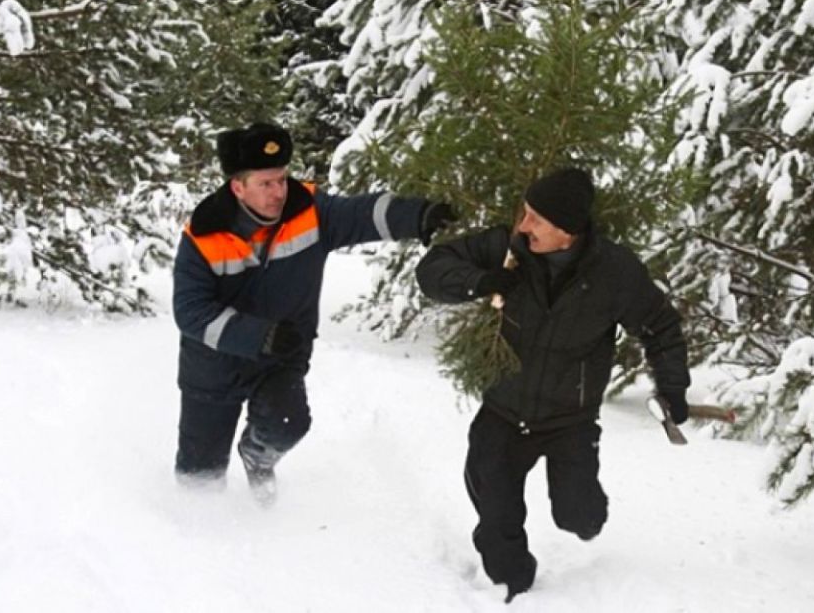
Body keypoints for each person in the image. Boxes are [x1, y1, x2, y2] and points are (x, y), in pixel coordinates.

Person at [415, 168, 690, 602]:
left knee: (581, 518)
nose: (523, 226)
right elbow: (432, 269)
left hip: (570, 421)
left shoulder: (614, 272)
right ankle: (516, 593)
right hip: (504, 414)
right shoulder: (508, 250)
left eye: (535, 219)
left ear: (567, 230)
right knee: (497, 524)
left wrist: (672, 388)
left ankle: (582, 514)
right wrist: (480, 281)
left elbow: (661, 326)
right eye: (524, 214)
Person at [172, 122, 453, 505]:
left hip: (280, 356)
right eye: (266, 184)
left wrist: (418, 215)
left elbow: (362, 214)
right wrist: (258, 336)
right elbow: (191, 312)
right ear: (238, 187)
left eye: (282, 179)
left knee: (288, 425)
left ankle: (256, 457)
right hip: (214, 367)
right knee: (199, 480)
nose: (278, 192)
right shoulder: (203, 235)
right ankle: (195, 545)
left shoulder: (309, 210)